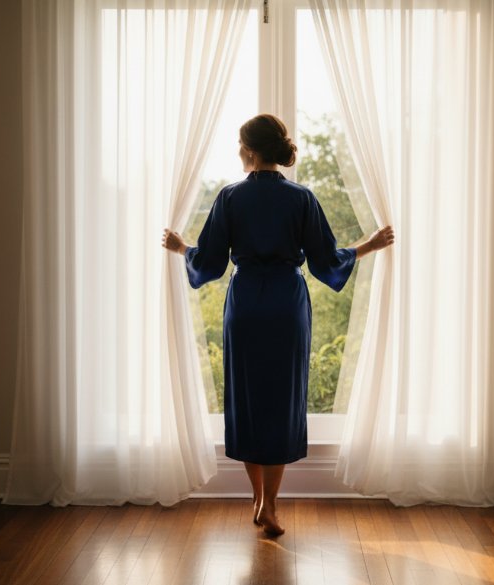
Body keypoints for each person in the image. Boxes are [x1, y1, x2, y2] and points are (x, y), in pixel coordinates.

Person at [161, 113, 395, 537]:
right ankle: (270, 503)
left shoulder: (230, 197)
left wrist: (182, 248)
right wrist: (369, 245)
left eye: (239, 145)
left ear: (250, 150)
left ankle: (257, 500)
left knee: (248, 401)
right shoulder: (301, 198)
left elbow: (210, 262)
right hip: (287, 306)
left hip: (246, 303)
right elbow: (326, 262)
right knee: (283, 401)